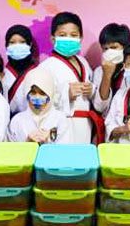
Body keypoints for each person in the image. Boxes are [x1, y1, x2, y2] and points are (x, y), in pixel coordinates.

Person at [39, 12, 100, 143]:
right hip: (61, 124)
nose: (68, 38)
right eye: (62, 35)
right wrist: (66, 94)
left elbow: (94, 93)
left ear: (80, 38)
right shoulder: (45, 67)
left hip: (85, 125)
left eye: (73, 35)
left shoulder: (83, 62)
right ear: (53, 39)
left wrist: (91, 89)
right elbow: (39, 101)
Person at [7, 68, 70, 144]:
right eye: (33, 92)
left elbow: (64, 149)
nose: (37, 97)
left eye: (42, 93)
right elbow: (10, 149)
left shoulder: (60, 119)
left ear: (51, 92)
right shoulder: (17, 121)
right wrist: (27, 144)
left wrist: (48, 143)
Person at [92, 23, 130, 116]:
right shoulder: (99, 71)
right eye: (105, 49)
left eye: (114, 47)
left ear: (125, 47)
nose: (109, 51)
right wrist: (106, 75)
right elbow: (100, 107)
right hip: (106, 121)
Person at [2, 25, 39, 116]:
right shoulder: (1, 73)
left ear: (30, 45)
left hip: (32, 120)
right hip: (6, 120)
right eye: (12, 42)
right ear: (6, 46)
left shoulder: (38, 72)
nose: (17, 46)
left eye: (22, 42)